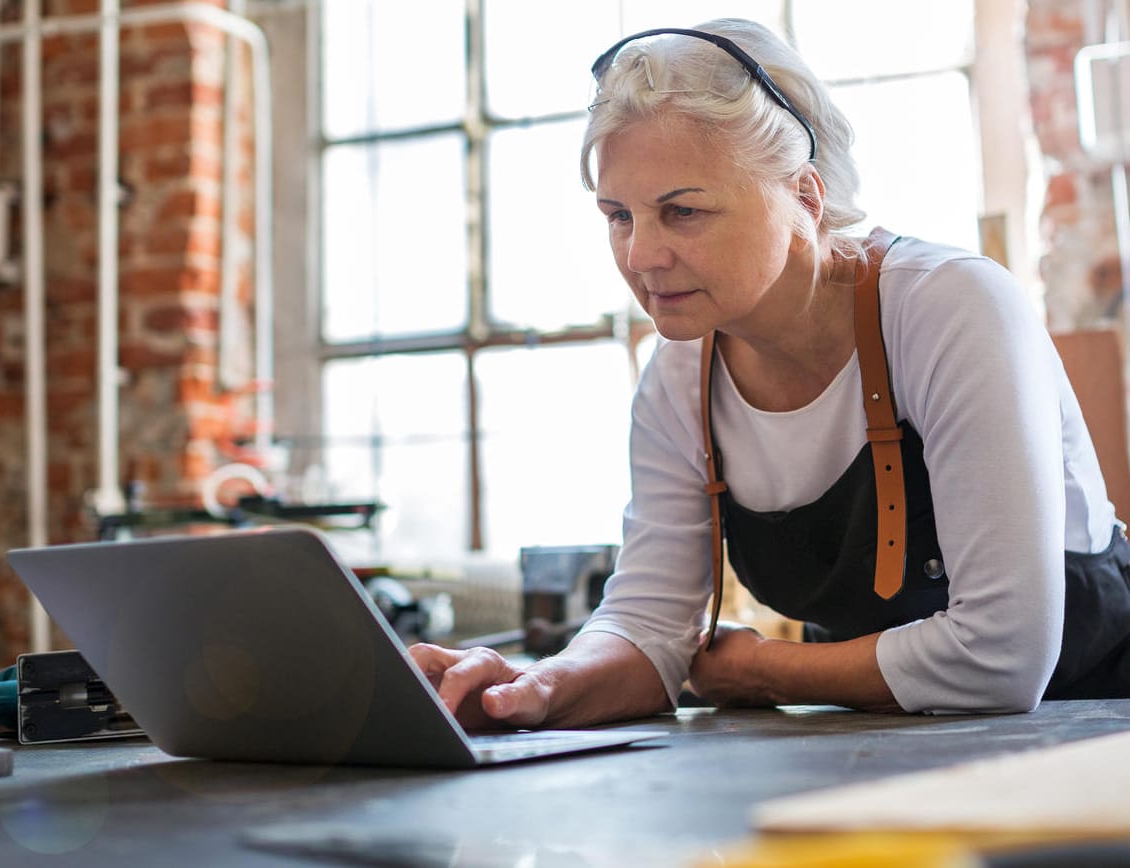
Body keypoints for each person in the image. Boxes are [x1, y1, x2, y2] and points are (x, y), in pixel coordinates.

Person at [408, 18, 1130, 728]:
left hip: (1092, 731)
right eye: (619, 215)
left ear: (805, 197)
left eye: (682, 211)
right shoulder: (677, 380)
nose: (640, 256)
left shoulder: (951, 309)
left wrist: (763, 671)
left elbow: (1002, 655)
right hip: (876, 747)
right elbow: (649, 629)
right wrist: (537, 685)